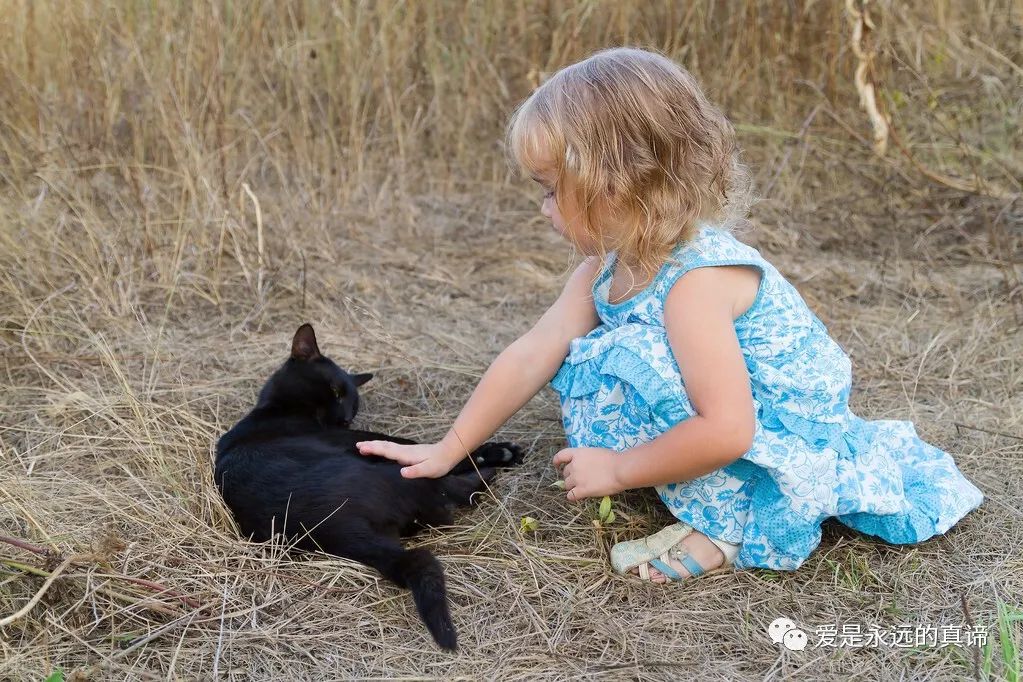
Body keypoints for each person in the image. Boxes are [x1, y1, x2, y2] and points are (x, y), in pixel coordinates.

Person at [356, 47, 984, 583]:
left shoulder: (696, 284)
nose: (543, 207)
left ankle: (728, 527)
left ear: (616, 182)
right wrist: (448, 448)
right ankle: (702, 492)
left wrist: (621, 468)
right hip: (727, 411)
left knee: (625, 360)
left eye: (551, 189)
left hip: (773, 426)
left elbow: (730, 429)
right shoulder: (608, 267)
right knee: (593, 356)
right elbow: (531, 352)